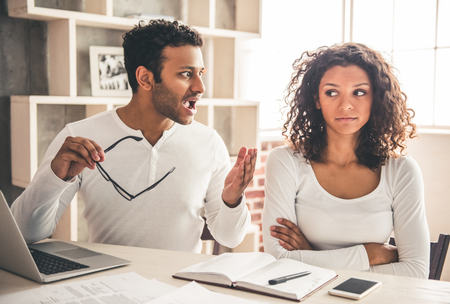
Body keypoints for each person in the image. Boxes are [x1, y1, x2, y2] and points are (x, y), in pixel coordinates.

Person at [12, 19, 257, 253]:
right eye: (185, 73)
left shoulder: (209, 143)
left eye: (200, 73)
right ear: (145, 78)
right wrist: (54, 178)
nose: (200, 87)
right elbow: (24, 233)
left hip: (179, 290)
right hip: (108, 291)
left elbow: (229, 236)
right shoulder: (79, 138)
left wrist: (232, 199)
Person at [262, 42, 430, 278]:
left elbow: (415, 271)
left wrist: (309, 258)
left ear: (376, 98)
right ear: (317, 99)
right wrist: (369, 254)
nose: (345, 105)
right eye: (332, 92)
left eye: (359, 92)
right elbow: (278, 259)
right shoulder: (285, 162)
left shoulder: (401, 171)